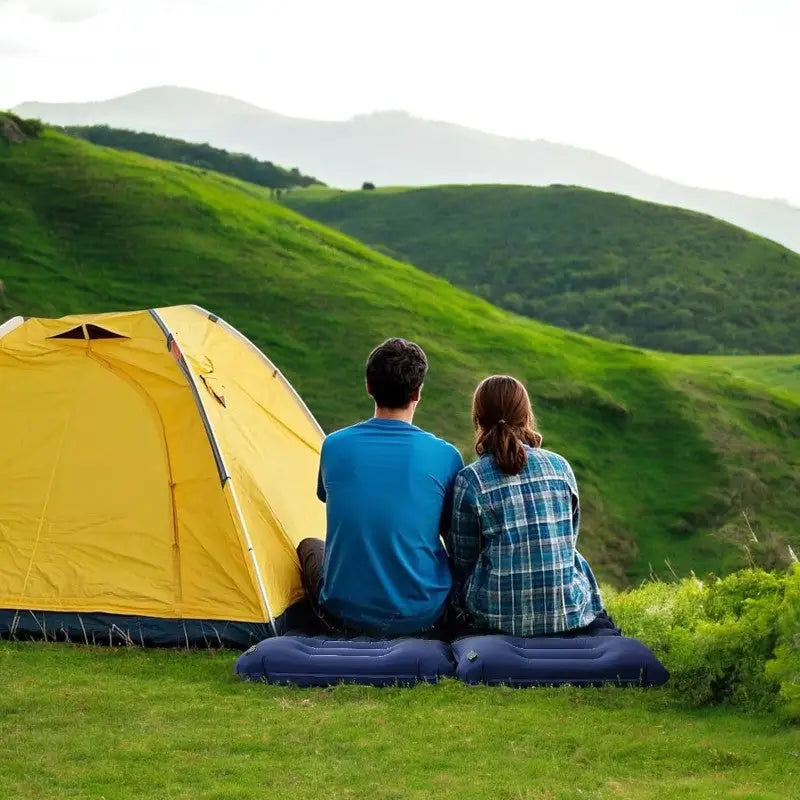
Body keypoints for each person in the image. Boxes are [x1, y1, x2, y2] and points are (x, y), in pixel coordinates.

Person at [297, 338, 464, 636]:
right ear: (417, 393)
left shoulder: (334, 445)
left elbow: (327, 497)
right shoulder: (446, 455)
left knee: (310, 547)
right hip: (423, 615)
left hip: (344, 614)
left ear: (368, 386)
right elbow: (449, 531)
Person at [446, 375, 614, 637]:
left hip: (495, 616)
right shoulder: (560, 467)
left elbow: (463, 561)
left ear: (478, 419)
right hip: (568, 610)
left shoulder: (471, 480)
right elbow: (568, 540)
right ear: (526, 416)